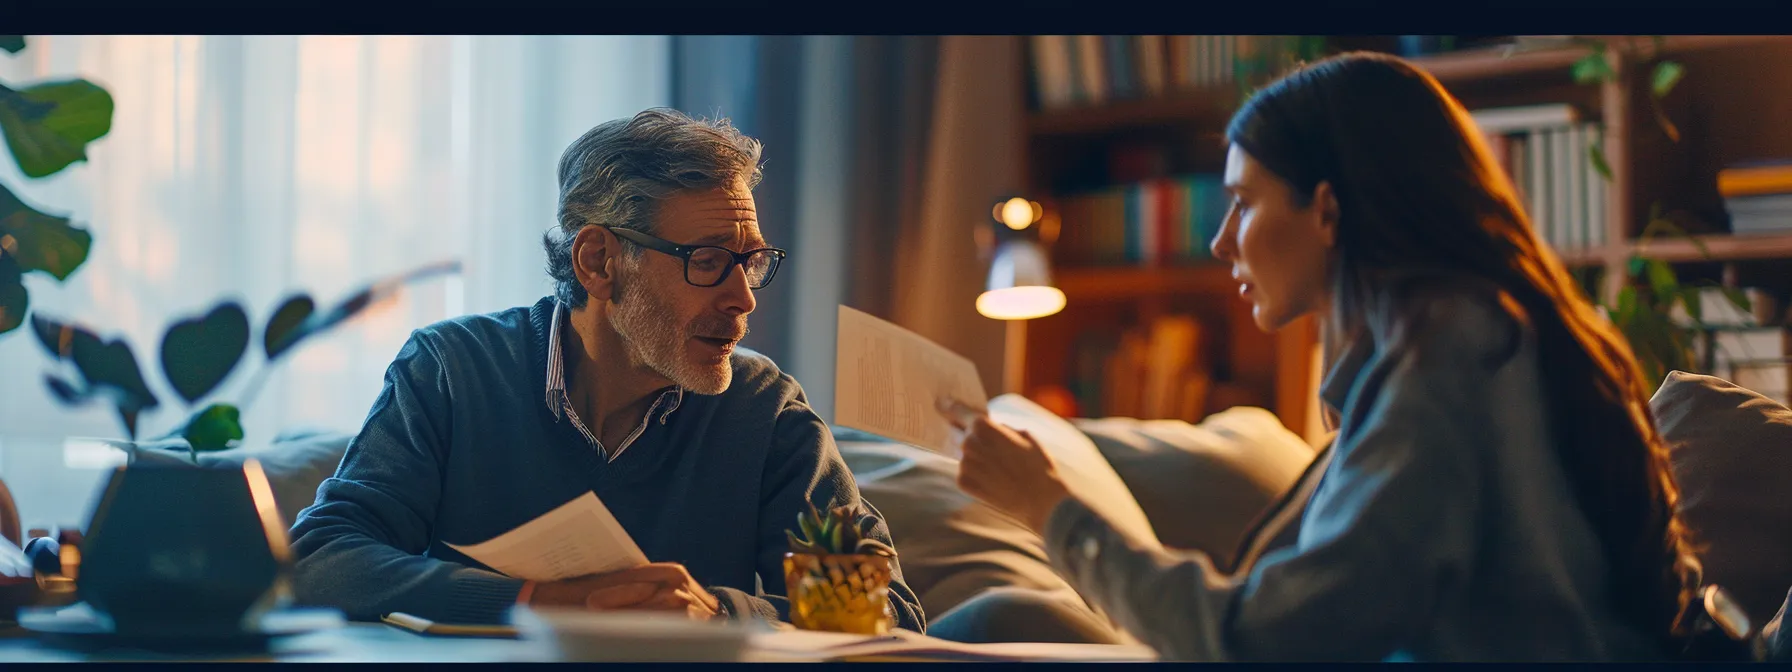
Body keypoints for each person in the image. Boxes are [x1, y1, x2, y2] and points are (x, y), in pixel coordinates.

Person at [941, 51, 1703, 662]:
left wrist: (1051, 508)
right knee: (1007, 614)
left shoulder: (1448, 364)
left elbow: (1260, 641)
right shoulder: (1495, 335)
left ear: (1328, 210)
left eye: (1244, 200)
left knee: (989, 627)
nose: (1220, 239)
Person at [288, 108, 924, 631]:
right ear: (598, 261)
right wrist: (538, 602)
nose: (744, 298)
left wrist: (716, 611)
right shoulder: (452, 370)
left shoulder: (764, 409)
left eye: (751, 262)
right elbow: (322, 558)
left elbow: (889, 611)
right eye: (707, 260)